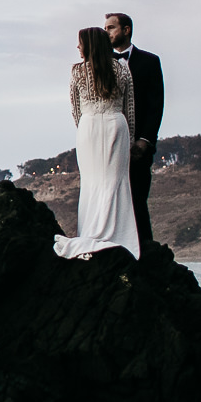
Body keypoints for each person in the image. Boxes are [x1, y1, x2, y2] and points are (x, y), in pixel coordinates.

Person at [53, 25, 140, 260]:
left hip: (89, 127)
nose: (78, 47)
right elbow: (129, 108)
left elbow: (75, 109)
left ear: (90, 45)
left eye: (81, 43)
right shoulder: (122, 69)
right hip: (116, 125)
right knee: (116, 181)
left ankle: (91, 232)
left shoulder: (78, 72)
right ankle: (117, 233)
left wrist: (85, 128)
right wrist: (130, 139)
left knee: (92, 182)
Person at [105, 12, 164, 244]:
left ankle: (145, 250)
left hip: (139, 146)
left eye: (111, 28)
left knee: (138, 199)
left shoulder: (150, 62)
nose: (107, 33)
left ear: (126, 30)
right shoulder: (102, 63)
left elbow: (156, 105)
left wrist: (145, 140)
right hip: (109, 143)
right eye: (105, 28)